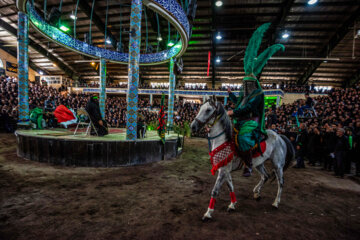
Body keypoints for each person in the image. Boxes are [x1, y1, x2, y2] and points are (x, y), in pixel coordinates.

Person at [227, 22, 285, 177]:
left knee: (243, 138)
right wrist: (230, 94)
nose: (245, 85)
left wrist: (233, 112)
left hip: (252, 120)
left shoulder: (258, 94)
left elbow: (248, 108)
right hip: (241, 117)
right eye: (244, 82)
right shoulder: (245, 93)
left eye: (248, 83)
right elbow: (240, 102)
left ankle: (249, 165)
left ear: (253, 82)